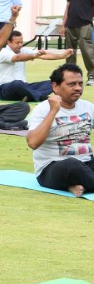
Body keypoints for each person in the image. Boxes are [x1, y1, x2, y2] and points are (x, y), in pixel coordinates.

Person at [26, 63, 94, 196]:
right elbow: (33, 143)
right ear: (55, 87)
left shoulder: (88, 107)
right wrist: (53, 111)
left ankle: (79, 185)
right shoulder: (42, 110)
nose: (78, 88)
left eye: (80, 84)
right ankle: (83, 182)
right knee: (72, 165)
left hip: (87, 163)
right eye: (71, 84)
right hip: (53, 168)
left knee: (79, 166)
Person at [0, 23, 72, 103]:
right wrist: (34, 55)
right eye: (17, 43)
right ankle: (41, 97)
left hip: (24, 87)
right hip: (5, 90)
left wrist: (61, 56)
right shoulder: (3, 53)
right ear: (8, 42)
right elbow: (18, 58)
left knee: (52, 83)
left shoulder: (23, 50)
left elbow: (43, 55)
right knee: (17, 83)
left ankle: (29, 96)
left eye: (21, 42)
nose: (20, 45)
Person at [62, 0, 94, 83]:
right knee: (70, 52)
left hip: (85, 24)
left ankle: (92, 75)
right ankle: (70, 76)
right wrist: (63, 24)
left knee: (87, 50)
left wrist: (89, 17)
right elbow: (68, 6)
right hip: (70, 24)